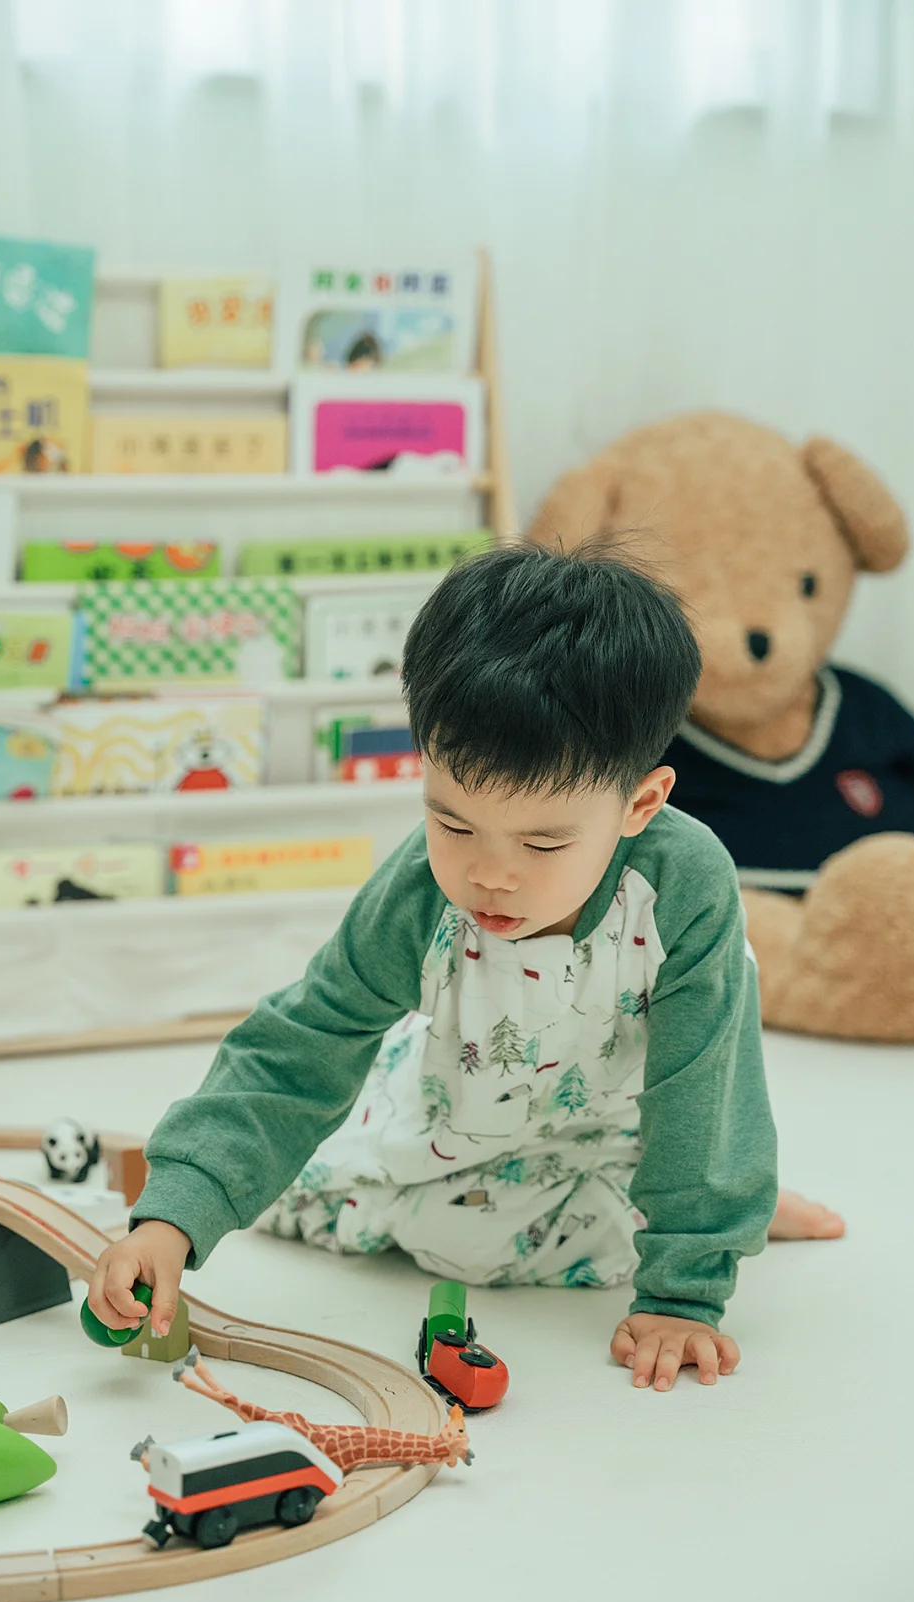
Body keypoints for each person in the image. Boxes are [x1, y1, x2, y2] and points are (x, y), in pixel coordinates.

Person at [89, 540, 844, 1394]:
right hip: (471, 1110)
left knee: (704, 1160)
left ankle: (728, 1211)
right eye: (453, 823)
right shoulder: (419, 892)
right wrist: (173, 1219)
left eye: (543, 843)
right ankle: (691, 1206)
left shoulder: (683, 886)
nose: (490, 875)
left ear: (641, 804)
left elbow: (706, 1087)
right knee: (438, 1232)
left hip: (634, 1120)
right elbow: (302, 1044)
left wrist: (685, 1285)